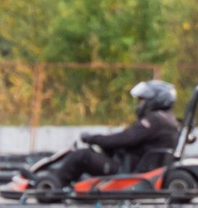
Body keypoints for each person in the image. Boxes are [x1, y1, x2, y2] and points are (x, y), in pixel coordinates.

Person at [35, 79, 185, 189]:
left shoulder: (155, 120)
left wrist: (93, 138)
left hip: (127, 170)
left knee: (81, 155)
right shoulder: (169, 120)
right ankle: (58, 181)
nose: (140, 105)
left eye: (142, 101)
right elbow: (130, 139)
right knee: (92, 152)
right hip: (137, 164)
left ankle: (52, 185)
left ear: (156, 100)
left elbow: (126, 139)